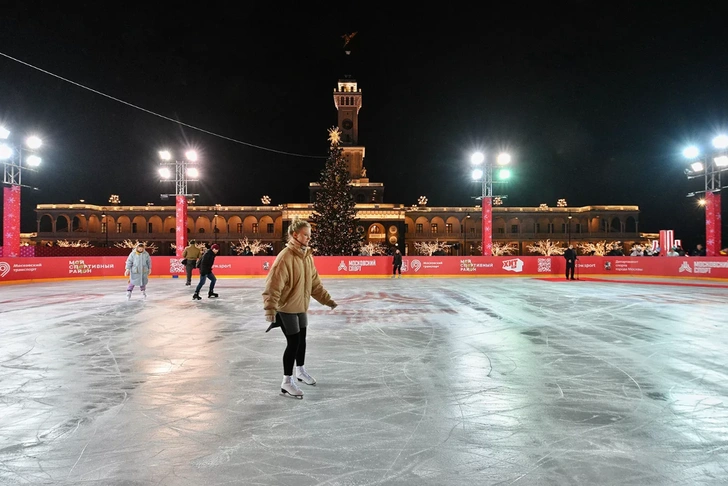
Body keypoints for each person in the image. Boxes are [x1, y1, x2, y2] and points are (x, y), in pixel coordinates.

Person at [262, 217, 337, 399]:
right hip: (286, 308)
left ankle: (300, 371)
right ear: (295, 235)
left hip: (301, 306)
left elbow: (314, 284)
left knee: (302, 340)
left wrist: (328, 300)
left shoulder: (307, 257)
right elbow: (273, 285)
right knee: (293, 342)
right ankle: (286, 381)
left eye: (310, 235)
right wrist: (270, 309)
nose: (309, 238)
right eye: (305, 235)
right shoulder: (285, 257)